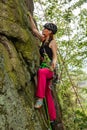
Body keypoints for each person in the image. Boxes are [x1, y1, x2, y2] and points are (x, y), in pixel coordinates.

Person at [28, 12, 58, 123]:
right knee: (48, 93)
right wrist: (30, 17)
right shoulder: (43, 40)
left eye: (45, 28)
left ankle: (39, 99)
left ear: (50, 31)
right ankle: (52, 117)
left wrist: (53, 65)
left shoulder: (52, 42)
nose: (43, 29)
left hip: (49, 70)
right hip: (45, 69)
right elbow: (34, 29)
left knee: (41, 72)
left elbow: (55, 56)